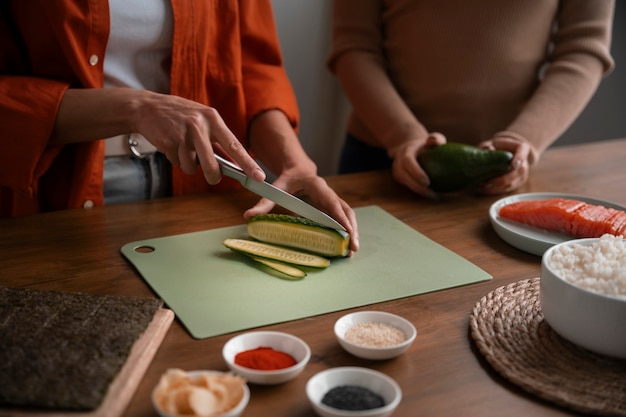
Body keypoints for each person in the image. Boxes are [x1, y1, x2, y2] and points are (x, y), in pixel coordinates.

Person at [0, 0, 358, 251]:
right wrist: (136, 106)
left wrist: (293, 162)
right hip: (53, 195)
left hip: (201, 184)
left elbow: (251, 63)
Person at [328, 0, 615, 198]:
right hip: (379, 157)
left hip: (507, 167)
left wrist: (524, 138)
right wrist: (401, 135)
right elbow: (355, 46)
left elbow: (583, 50)